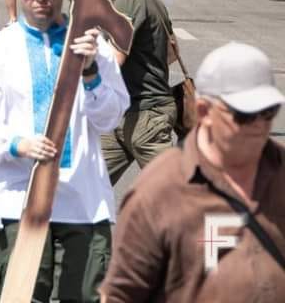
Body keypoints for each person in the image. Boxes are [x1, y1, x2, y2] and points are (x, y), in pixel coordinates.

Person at [0, 0, 129, 301]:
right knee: (20, 296)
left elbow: (111, 117)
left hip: (83, 201)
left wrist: (91, 74)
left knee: (85, 296)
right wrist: (17, 144)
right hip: (18, 199)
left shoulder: (92, 47)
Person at [100, 43, 285, 302]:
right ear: (203, 112)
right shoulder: (158, 191)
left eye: (268, 112)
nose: (258, 125)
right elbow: (123, 293)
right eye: (243, 115)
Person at [99, 0, 177, 184]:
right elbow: (172, 52)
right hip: (126, 112)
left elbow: (113, 60)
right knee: (83, 187)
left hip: (145, 115)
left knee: (174, 194)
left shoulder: (129, 0)